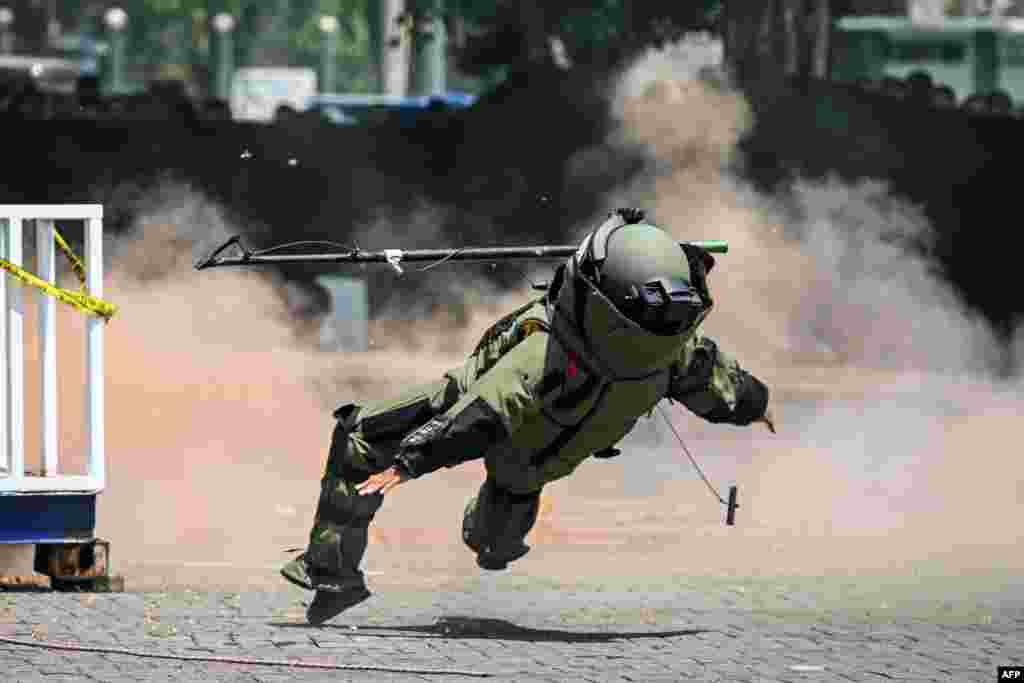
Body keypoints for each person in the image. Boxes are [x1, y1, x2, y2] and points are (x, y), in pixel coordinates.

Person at [281, 208, 776, 625]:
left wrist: (407, 462)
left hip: (481, 413)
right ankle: (494, 545)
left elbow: (479, 415)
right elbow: (727, 391)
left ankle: (332, 574)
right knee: (506, 505)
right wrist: (759, 406)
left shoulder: (543, 355)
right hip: (539, 461)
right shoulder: (674, 352)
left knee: (360, 436)